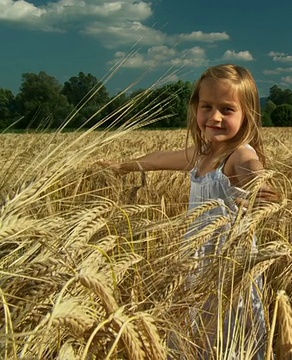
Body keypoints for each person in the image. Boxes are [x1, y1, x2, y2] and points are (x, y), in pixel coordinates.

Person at [99, 64, 276, 359]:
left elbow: (258, 177)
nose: (214, 117)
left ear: (247, 115)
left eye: (227, 109)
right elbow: (158, 160)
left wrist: (263, 195)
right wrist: (122, 166)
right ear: (195, 107)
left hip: (229, 269)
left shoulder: (239, 154)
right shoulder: (203, 154)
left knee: (231, 333)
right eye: (207, 106)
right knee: (199, 336)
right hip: (198, 263)